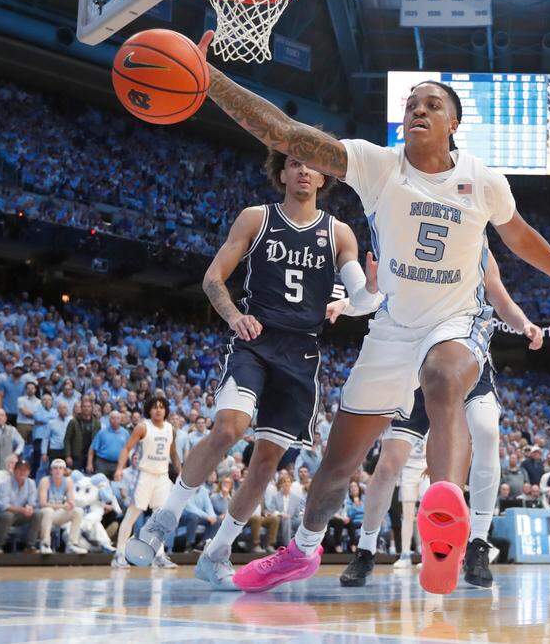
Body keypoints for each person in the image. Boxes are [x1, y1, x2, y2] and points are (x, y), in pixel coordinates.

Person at [194, 32, 550, 595]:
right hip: (392, 326)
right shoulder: (376, 164)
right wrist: (207, 76)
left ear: (453, 124)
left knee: (442, 378)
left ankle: (445, 524)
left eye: (431, 104)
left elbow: (520, 238)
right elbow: (283, 133)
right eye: (411, 104)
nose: (418, 109)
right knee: (338, 463)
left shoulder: (483, 180)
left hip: (457, 320)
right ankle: (303, 549)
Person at [125, 140, 371, 590]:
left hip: (301, 355)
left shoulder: (339, 233)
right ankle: (164, 520)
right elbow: (213, 278)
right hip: (255, 341)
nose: (302, 171)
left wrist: (362, 296)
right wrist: (235, 316)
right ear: (282, 173)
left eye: (311, 166)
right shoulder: (257, 218)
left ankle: (216, 554)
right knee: (229, 428)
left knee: (266, 462)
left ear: (323, 178)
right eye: (294, 163)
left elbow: (362, 295)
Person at [332, 255, 541, 588]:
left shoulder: (479, 249)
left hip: (465, 359)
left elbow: (500, 297)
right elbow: (386, 290)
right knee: (388, 465)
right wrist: (347, 303)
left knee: (487, 431)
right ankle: (366, 550)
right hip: (415, 362)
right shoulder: (416, 239)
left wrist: (524, 324)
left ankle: (478, 543)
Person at [113, 396, 181, 568]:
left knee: (160, 519)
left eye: (161, 407)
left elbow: (173, 453)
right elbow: (127, 448)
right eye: (154, 407)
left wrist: (180, 473)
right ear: (149, 410)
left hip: (162, 477)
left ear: (166, 410)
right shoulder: (143, 427)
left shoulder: (170, 429)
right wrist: (120, 468)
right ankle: (119, 555)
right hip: (144, 476)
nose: (158, 410)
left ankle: (159, 556)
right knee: (132, 515)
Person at [35, 459, 87, 555]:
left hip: (57, 514)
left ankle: (72, 544)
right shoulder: (45, 481)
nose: (58, 470)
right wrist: (63, 506)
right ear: (51, 471)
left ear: (64, 471)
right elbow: (42, 503)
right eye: (55, 468)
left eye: (60, 468)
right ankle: (45, 544)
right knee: (48, 510)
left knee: (78, 511)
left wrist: (71, 504)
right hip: (42, 514)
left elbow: (71, 501)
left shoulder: (68, 481)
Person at [0, 460, 42, 553]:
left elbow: (32, 502)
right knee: (8, 515)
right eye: (20, 470)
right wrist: (23, 510)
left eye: (25, 470)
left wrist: (29, 508)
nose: (22, 472)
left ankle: (30, 546)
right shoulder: (6, 483)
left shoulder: (31, 483)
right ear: (14, 471)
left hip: (18, 515)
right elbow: (4, 505)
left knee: (38, 513)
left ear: (29, 472)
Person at [88, 411, 128, 480]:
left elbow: (128, 450)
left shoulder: (125, 433)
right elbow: (92, 449)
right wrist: (89, 463)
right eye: (113, 418)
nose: (115, 420)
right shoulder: (102, 432)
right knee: (100, 484)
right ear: (109, 420)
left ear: (121, 420)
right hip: (102, 463)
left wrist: (124, 465)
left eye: (117, 418)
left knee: (117, 485)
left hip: (118, 464)